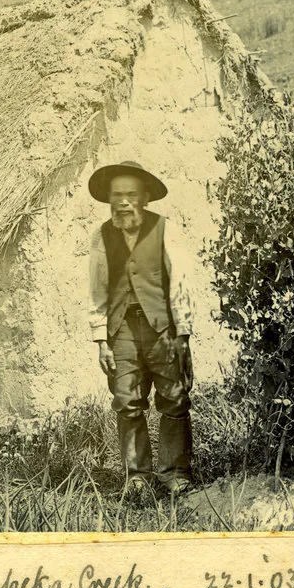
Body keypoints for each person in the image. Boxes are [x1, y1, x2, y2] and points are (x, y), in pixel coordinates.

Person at [87, 160, 195, 495]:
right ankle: (137, 477)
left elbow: (180, 282)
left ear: (145, 197)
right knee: (127, 401)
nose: (123, 201)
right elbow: (97, 289)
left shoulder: (165, 228)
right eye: (116, 195)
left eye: (130, 194)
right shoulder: (101, 236)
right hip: (122, 331)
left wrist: (182, 333)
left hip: (161, 328)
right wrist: (101, 339)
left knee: (174, 399)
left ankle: (175, 473)